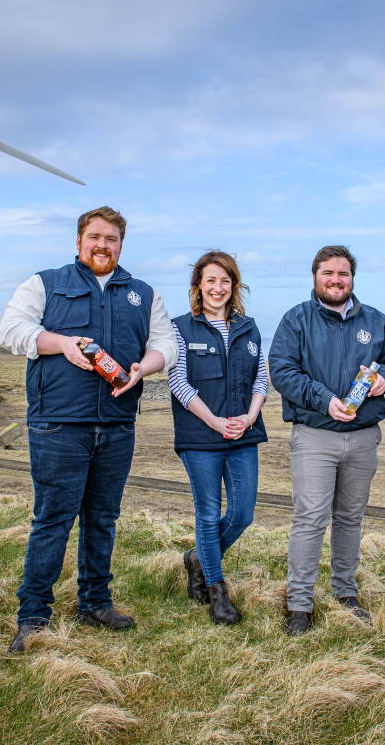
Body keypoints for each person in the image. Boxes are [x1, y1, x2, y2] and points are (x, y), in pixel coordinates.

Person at [0, 206, 176, 651]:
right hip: (59, 424)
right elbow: (12, 330)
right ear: (79, 242)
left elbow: (165, 344)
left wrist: (144, 369)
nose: (103, 245)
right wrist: (61, 344)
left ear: (120, 245)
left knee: (103, 519)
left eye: (111, 239)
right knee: (52, 521)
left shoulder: (143, 293)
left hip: (116, 424)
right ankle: (33, 615)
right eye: (94, 237)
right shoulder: (45, 283)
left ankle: (95, 602)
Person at [268, 245, 385, 635]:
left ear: (352, 278)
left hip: (363, 437)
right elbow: (282, 371)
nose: (335, 280)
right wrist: (324, 400)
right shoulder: (296, 320)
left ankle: (345, 593)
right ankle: (299, 603)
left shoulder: (376, 321)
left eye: (342, 273)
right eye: (328, 272)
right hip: (315, 436)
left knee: (350, 517)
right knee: (310, 519)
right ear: (315, 276)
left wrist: (384, 381)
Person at [169, 251, 268, 625]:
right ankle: (217, 591)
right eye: (211, 280)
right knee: (208, 515)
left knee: (242, 514)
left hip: (243, 433)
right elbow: (178, 381)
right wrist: (212, 420)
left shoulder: (250, 327)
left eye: (225, 281)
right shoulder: (181, 327)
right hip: (200, 436)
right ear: (198, 285)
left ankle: (197, 558)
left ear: (234, 285)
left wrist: (250, 416)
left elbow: (261, 378)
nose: (218, 288)